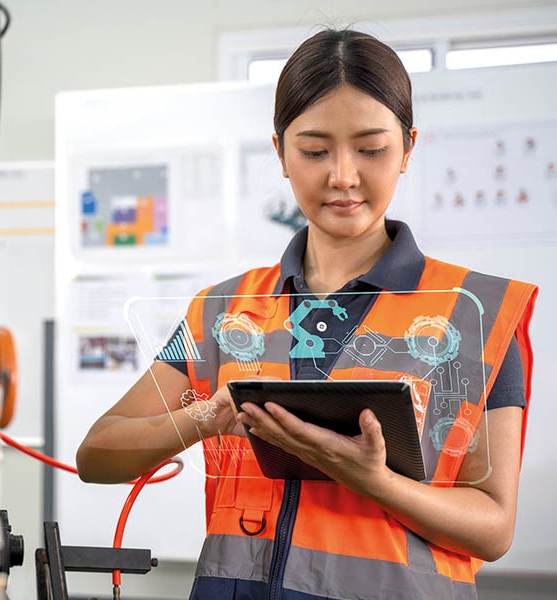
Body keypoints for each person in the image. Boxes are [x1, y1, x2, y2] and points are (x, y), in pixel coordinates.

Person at [76, 28, 538, 600]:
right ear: (280, 154)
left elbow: (493, 528)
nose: (342, 176)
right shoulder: (223, 313)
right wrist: (206, 418)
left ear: (408, 148)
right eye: (315, 151)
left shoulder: (478, 314)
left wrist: (374, 482)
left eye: (371, 149)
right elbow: (97, 453)